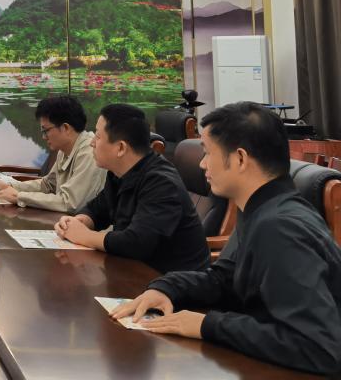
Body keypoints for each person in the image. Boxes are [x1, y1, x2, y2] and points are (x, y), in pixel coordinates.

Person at [112, 103, 341, 375]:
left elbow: (318, 347)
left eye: (208, 152)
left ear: (240, 159)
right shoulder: (260, 208)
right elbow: (224, 278)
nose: (202, 163)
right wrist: (165, 287)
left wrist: (206, 325)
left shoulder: (280, 227)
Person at [54, 103, 209, 273]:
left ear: (121, 148)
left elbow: (136, 243)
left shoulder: (161, 182)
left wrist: (84, 236)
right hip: (133, 271)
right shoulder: (119, 172)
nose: (92, 143)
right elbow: (98, 208)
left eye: (97, 137)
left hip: (169, 280)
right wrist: (81, 220)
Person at [0, 95, 105, 212]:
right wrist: (9, 186)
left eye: (45, 130)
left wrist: (19, 197)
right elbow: (48, 185)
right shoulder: (64, 150)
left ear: (65, 128)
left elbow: (70, 203)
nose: (43, 137)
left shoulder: (90, 152)